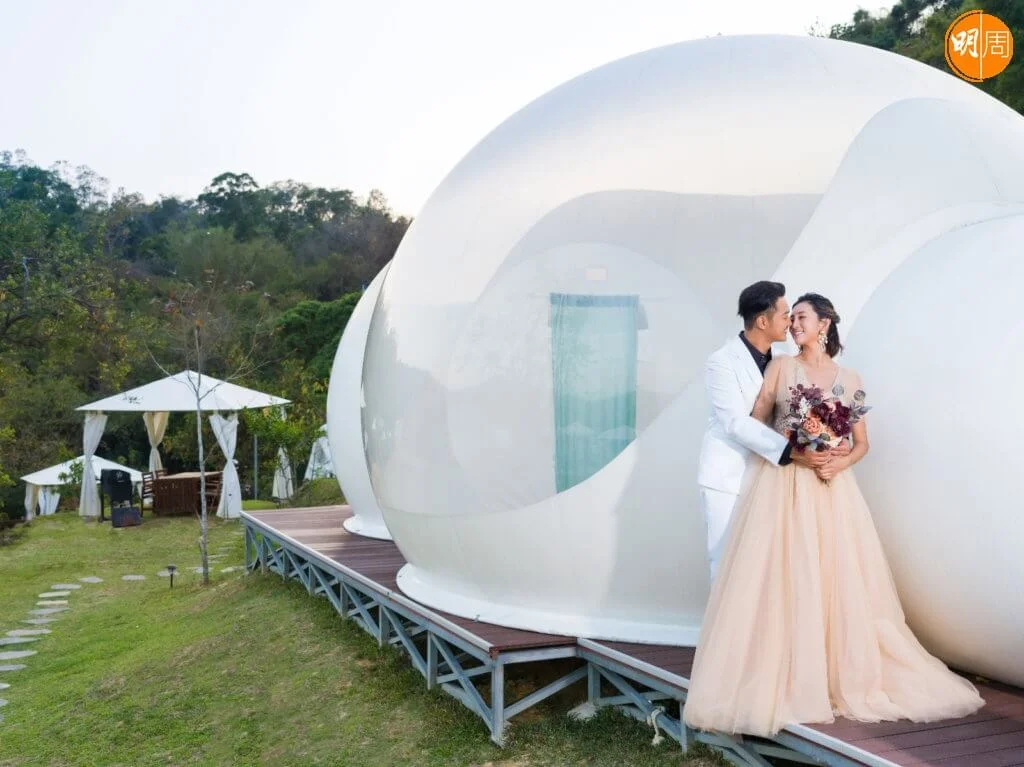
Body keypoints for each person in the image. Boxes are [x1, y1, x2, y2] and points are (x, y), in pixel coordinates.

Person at [684, 293, 984, 737]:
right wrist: (796, 443)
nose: (793, 324)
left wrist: (838, 461)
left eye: (801, 317)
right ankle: (778, 674)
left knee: (833, 576)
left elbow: (862, 442)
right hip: (784, 485)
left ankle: (835, 674)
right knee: (785, 575)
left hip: (832, 490)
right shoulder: (780, 367)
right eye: (790, 317)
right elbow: (756, 421)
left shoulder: (850, 378)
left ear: (824, 323)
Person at [697, 281, 838, 581]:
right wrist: (792, 452)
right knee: (726, 560)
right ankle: (725, 616)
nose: (791, 322)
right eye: (785, 314)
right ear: (763, 321)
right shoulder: (721, 362)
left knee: (764, 564)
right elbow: (735, 422)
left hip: (770, 477)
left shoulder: (784, 359)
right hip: (729, 476)